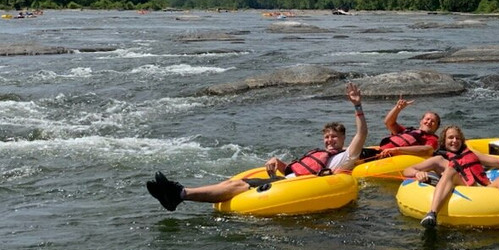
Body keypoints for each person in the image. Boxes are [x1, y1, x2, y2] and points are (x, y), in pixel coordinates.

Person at [146, 82, 368, 211]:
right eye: (327, 137)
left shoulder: (345, 157)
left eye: (335, 137)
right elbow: (293, 171)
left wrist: (357, 105)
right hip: (286, 181)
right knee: (235, 182)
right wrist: (278, 163)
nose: (330, 140)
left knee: (238, 187)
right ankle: (176, 194)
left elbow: (362, 133)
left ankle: (179, 193)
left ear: (342, 139)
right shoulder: (317, 154)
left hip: (295, 188)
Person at [403, 124, 499, 230]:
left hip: (484, 186)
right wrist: (417, 173)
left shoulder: (471, 154)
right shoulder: (438, 160)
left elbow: (497, 162)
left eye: (458, 138)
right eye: (450, 138)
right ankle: (432, 213)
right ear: (443, 141)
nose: (454, 141)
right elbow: (407, 170)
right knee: (450, 170)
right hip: (463, 186)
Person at [367, 96, 440, 158]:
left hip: (390, 157)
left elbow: (427, 150)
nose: (429, 122)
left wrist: (397, 150)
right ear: (421, 121)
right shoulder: (407, 131)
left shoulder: (432, 139)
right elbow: (389, 123)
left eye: (433, 121)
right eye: (427, 119)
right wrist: (397, 108)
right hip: (380, 152)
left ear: (436, 127)